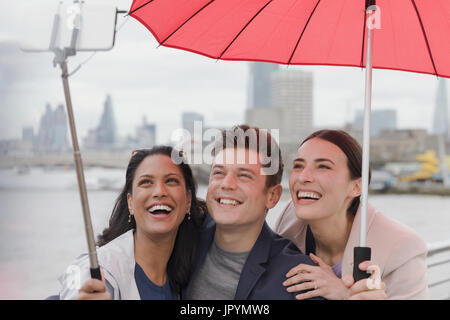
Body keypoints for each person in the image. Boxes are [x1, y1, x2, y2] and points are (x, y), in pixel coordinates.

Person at [184, 125, 385, 300]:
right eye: (219, 172)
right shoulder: (181, 235)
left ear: (272, 196)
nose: (226, 184)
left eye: (244, 176)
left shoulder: (300, 278)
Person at [275, 129, 429, 300]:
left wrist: (344, 293)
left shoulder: (402, 247)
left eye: (323, 166)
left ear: (357, 187)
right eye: (298, 165)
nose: (303, 177)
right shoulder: (289, 219)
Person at [58, 146, 206, 300]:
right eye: (146, 182)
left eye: (171, 181)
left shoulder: (187, 277)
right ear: (130, 203)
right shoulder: (97, 270)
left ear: (188, 200)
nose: (160, 191)